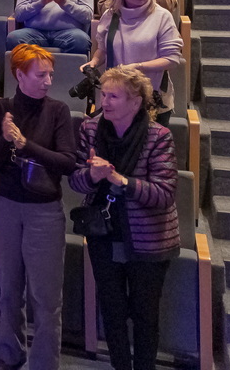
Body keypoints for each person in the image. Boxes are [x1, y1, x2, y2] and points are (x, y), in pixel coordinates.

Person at [70, 66, 179, 370]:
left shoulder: (159, 136)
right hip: (103, 234)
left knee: (145, 316)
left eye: (113, 96)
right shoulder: (90, 129)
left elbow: (164, 193)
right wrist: (92, 176)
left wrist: (122, 181)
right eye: (103, 94)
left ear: (136, 102)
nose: (105, 102)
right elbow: (76, 180)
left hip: (148, 240)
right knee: (112, 311)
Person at [0, 44, 77, 370]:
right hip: (4, 205)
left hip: (43, 211)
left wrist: (25, 144)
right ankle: (9, 354)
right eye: (41, 75)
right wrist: (6, 140)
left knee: (46, 298)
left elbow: (67, 162)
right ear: (19, 75)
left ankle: (44, 364)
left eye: (50, 74)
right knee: (9, 289)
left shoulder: (58, 111)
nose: (48, 81)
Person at [83, 0, 184, 125]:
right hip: (117, 98)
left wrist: (138, 67)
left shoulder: (162, 16)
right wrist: (94, 62)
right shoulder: (111, 15)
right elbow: (103, 49)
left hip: (150, 99)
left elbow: (171, 59)